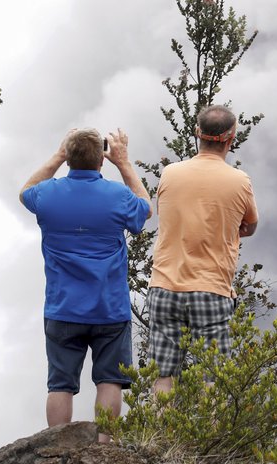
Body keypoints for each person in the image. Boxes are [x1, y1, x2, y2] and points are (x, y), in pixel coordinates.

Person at [20, 128, 152, 441]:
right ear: (100, 162)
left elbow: (26, 190)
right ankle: (104, 449)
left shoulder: (48, 195)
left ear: (68, 158)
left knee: (60, 384)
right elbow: (144, 209)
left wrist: (57, 155)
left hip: (63, 307)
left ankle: (57, 450)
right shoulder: (117, 197)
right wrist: (124, 164)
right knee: (110, 380)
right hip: (110, 308)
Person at [149, 104, 259, 393]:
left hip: (164, 285)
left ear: (198, 133)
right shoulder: (239, 181)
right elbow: (250, 225)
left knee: (163, 375)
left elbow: (165, 214)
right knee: (213, 378)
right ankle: (210, 439)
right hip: (211, 288)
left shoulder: (170, 173)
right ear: (231, 138)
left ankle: (160, 438)